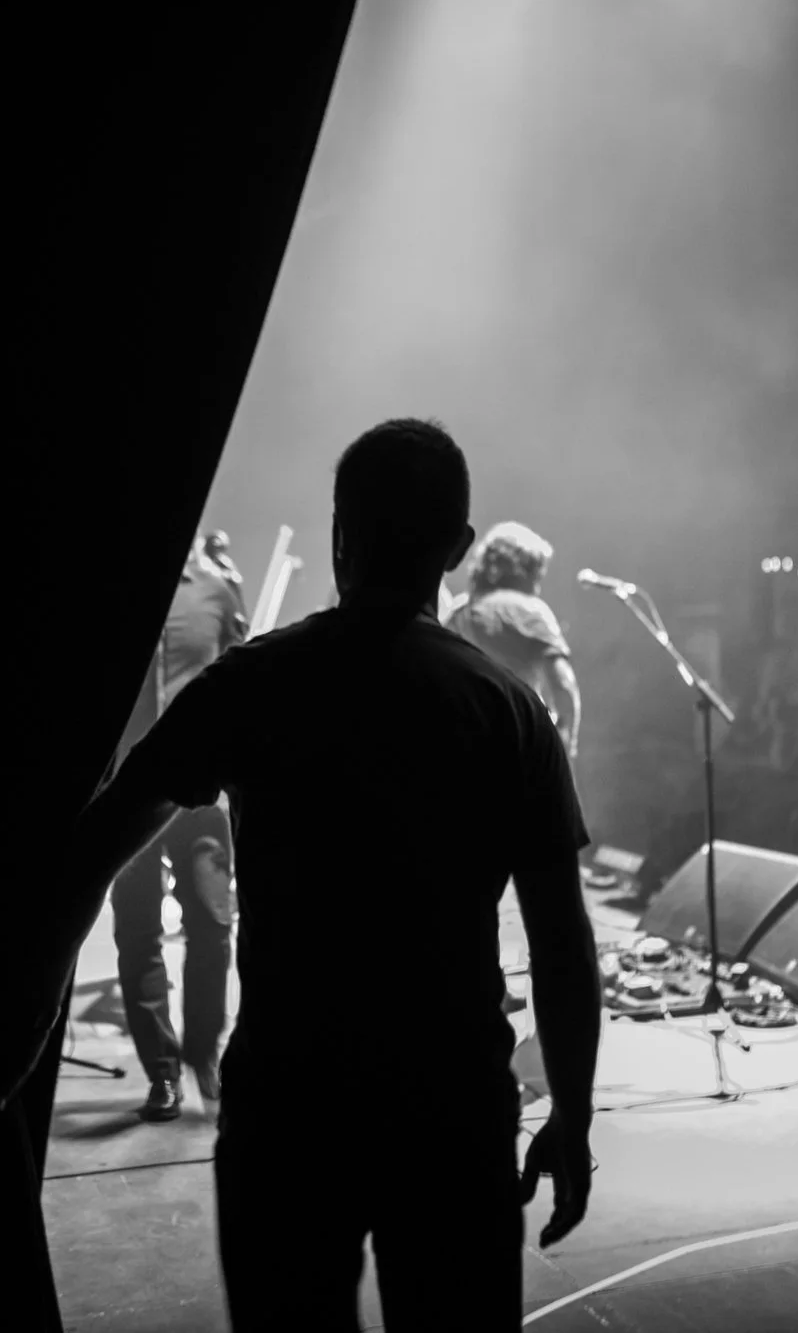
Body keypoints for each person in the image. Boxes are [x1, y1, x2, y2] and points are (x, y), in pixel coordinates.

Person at [36, 419, 601, 1330]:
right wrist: (571, 1117)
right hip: (449, 1114)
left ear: (339, 530)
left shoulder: (252, 683)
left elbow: (96, 845)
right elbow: (564, 947)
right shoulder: (510, 714)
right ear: (456, 551)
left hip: (290, 1112)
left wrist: (16, 1026)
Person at [108, 532, 251, 1121]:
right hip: (129, 790)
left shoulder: (216, 593)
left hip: (201, 793)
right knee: (137, 933)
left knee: (212, 925)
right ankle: (161, 1074)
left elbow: (246, 682)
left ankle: (203, 1054)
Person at [447, 521, 582, 763]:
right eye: (537, 574)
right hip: (521, 739)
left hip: (463, 742)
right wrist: (565, 742)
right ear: (524, 570)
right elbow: (563, 684)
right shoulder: (529, 610)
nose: (538, 585)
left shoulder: (457, 612)